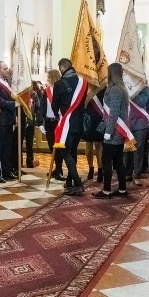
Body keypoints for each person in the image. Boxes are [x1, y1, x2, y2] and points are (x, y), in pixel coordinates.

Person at [53, 58, 86, 195]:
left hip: (66, 123)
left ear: (61, 68)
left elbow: (55, 105)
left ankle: (78, 183)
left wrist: (58, 116)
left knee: (66, 153)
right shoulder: (83, 82)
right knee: (73, 152)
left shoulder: (59, 84)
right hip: (79, 123)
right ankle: (69, 181)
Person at [95, 63, 129, 198]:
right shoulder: (121, 88)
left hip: (114, 131)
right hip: (118, 130)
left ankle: (106, 190)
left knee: (107, 161)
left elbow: (113, 113)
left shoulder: (115, 90)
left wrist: (108, 132)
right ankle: (121, 189)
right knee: (119, 161)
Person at [0, 61, 16, 182]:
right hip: (1, 119)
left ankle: (6, 170)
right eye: (4, 69)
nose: (7, 70)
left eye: (7, 68)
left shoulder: (7, 83)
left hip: (9, 119)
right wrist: (13, 104)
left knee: (7, 147)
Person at [127, 84, 149, 186]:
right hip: (128, 121)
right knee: (128, 149)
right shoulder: (124, 85)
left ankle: (137, 175)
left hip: (140, 123)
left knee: (138, 150)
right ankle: (128, 172)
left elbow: (142, 103)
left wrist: (132, 91)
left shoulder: (144, 87)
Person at [42, 69, 65, 180]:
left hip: (58, 121)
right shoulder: (46, 91)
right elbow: (42, 107)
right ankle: (57, 167)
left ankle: (59, 169)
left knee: (59, 147)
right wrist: (40, 122)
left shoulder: (60, 90)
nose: (47, 78)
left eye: (48, 76)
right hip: (48, 121)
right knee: (52, 146)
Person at [83, 88, 105, 182]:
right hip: (88, 119)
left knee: (98, 145)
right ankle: (90, 168)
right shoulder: (86, 88)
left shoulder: (103, 88)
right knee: (88, 145)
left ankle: (100, 170)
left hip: (99, 118)